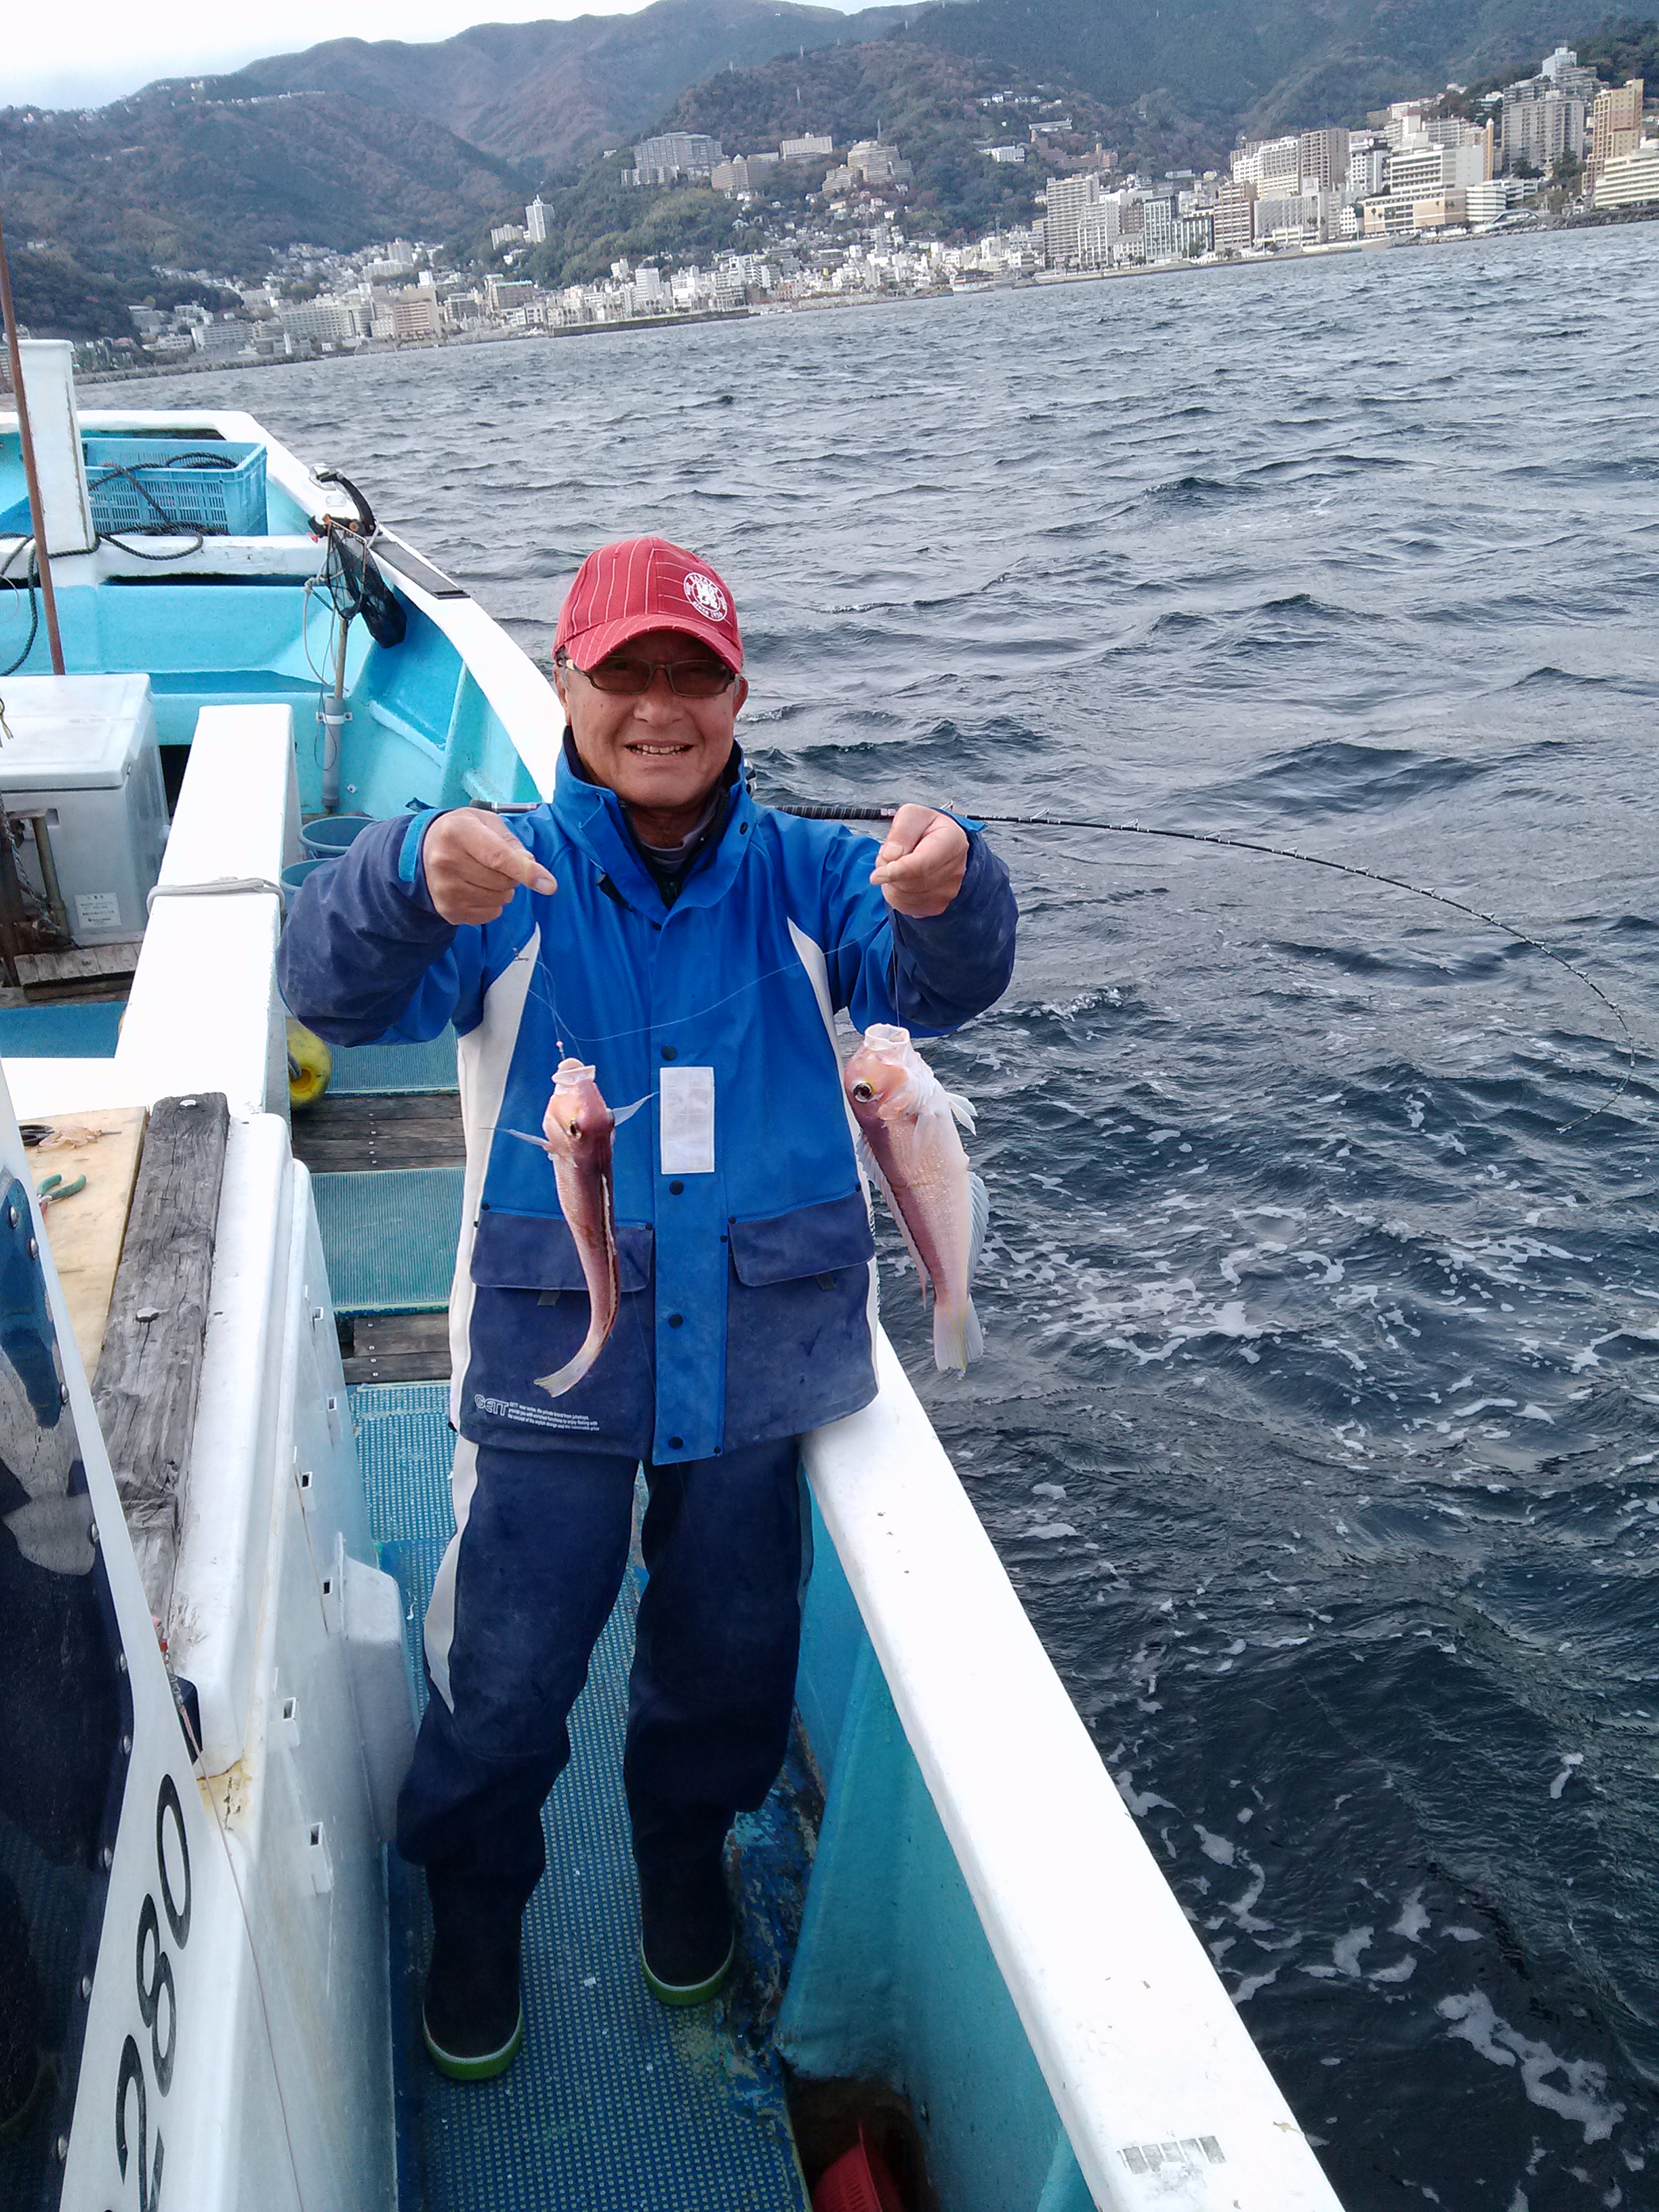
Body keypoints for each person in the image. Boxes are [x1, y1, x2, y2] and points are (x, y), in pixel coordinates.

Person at [278, 536, 1017, 2082]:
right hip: (555, 1362)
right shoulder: (503, 877)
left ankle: (684, 1867)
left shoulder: (816, 877)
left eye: (696, 675)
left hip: (759, 1368)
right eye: (625, 674)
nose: (661, 708)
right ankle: (476, 1903)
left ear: (742, 697)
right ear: (566, 685)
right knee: (506, 1671)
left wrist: (956, 885)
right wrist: (404, 874)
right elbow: (328, 990)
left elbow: (943, 983)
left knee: (730, 1665)